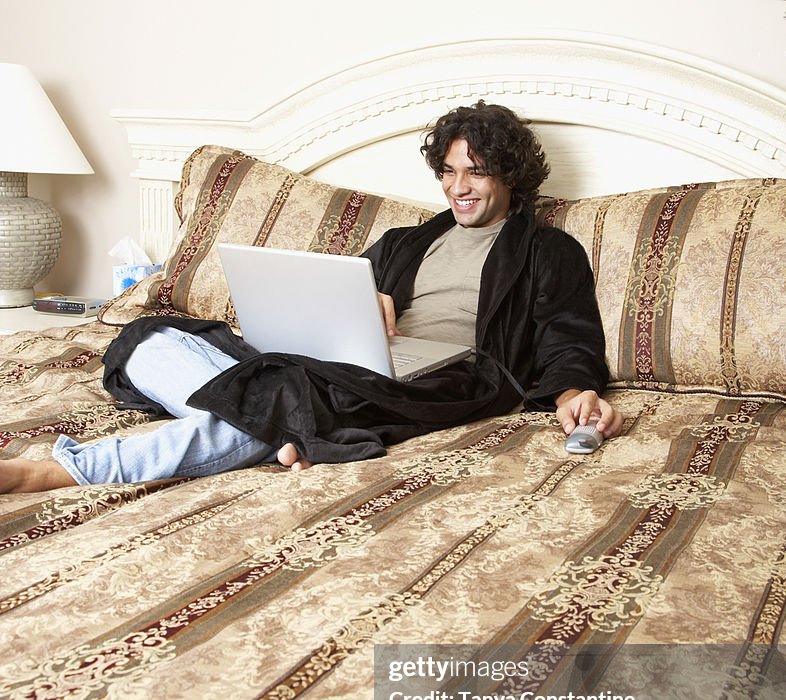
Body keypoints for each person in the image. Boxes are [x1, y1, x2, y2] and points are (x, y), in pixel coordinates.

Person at [0, 101, 622, 495]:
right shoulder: (404, 241)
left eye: (476, 172)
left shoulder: (546, 250)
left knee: (283, 396)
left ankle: (58, 471)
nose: (459, 188)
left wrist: (573, 392)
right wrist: (372, 298)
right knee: (153, 337)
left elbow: (568, 337)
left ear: (509, 174)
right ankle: (281, 428)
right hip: (342, 361)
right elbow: (335, 299)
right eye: (449, 172)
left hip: (438, 378)